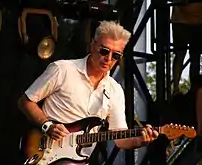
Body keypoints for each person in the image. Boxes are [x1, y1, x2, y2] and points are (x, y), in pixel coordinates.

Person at [18, 20, 159, 165]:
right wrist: (47, 125)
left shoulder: (114, 90)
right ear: (92, 45)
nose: (108, 59)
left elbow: (120, 139)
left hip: (78, 161)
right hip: (44, 152)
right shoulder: (62, 69)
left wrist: (140, 140)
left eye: (116, 55)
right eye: (104, 51)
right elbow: (25, 101)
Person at [171, 1, 202, 94]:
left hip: (196, 22)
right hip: (182, 22)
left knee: (194, 57)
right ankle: (176, 89)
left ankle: (194, 90)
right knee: (182, 56)